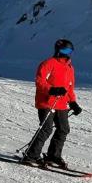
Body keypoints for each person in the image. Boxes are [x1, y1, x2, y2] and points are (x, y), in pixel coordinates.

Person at [20, 38, 82, 169]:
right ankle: (31, 155)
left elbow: (69, 87)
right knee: (46, 129)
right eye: (65, 50)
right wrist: (52, 89)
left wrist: (73, 102)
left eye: (69, 51)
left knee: (63, 129)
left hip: (61, 104)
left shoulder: (70, 67)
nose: (67, 53)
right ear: (58, 50)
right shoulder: (48, 63)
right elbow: (40, 81)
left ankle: (53, 156)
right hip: (46, 102)